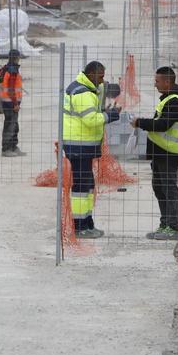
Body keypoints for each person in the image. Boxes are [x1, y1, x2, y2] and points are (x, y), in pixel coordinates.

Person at [131, 66, 178, 240]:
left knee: (168, 188)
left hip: (168, 154)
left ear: (167, 81)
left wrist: (140, 122)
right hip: (161, 152)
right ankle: (165, 224)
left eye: (157, 81)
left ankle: (172, 227)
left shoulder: (176, 101)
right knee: (159, 188)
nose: (155, 84)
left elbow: (163, 124)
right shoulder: (168, 98)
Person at [62, 61, 120, 238]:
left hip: (82, 145)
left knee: (87, 184)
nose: (102, 81)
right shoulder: (83, 93)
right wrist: (110, 115)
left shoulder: (85, 88)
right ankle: (80, 226)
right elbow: (91, 120)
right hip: (78, 145)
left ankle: (87, 223)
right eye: (100, 77)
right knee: (82, 186)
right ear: (91, 74)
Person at [0, 49, 24, 156]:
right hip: (10, 103)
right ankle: (6, 149)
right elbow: (11, 89)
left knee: (14, 125)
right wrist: (15, 104)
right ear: (16, 57)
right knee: (10, 126)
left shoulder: (7, 68)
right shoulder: (12, 70)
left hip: (9, 102)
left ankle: (13, 147)